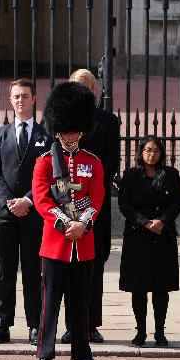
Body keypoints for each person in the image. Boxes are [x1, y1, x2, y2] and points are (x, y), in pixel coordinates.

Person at [31, 81, 108, 360]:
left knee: (80, 305)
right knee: (49, 304)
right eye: (65, 130)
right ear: (57, 129)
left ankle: (82, 358)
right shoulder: (45, 163)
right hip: (56, 242)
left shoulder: (92, 162)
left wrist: (83, 222)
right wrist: (65, 223)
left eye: (74, 130)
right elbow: (41, 198)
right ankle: (45, 356)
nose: (69, 135)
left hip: (83, 243)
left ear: (82, 129)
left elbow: (97, 196)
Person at [0, 78, 51, 346]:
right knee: (5, 270)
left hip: (34, 212)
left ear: (34, 99)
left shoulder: (46, 135)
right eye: (16, 96)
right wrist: (11, 200)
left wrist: (28, 200)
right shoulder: (0, 134)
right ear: (10, 100)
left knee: (33, 270)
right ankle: (3, 324)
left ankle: (35, 324)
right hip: (4, 212)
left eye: (25, 96)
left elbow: (51, 175)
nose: (20, 100)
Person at [62, 68, 121, 344]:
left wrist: (90, 191)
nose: (83, 91)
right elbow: (57, 161)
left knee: (94, 264)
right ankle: (70, 324)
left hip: (96, 202)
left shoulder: (108, 121)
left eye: (88, 86)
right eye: (78, 86)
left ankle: (90, 323)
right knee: (67, 265)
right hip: (66, 203)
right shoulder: (61, 118)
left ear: (95, 90)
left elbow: (112, 163)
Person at [118, 137, 180, 347]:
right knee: (139, 287)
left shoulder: (171, 175)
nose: (151, 154)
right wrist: (144, 222)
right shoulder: (130, 175)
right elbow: (124, 205)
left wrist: (162, 221)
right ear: (141, 152)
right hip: (138, 236)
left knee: (160, 287)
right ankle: (141, 331)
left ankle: (160, 332)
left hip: (163, 236)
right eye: (147, 150)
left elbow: (177, 203)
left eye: (155, 150)